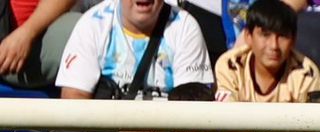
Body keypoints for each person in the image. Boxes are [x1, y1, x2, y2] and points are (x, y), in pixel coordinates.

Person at [55, 0, 212, 102]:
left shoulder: (185, 27)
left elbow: (193, 105)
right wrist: (122, 124)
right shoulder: (93, 23)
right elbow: (73, 98)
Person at [213, 0, 320, 106]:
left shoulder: (307, 74)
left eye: (282, 36)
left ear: (293, 40)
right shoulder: (230, 66)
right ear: (248, 36)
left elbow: (311, 123)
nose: (274, 46)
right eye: (265, 35)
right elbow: (228, 118)